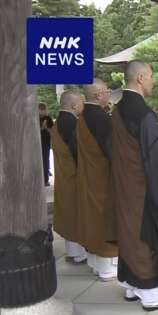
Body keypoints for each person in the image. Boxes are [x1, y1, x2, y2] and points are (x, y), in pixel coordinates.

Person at [110, 60, 158, 310]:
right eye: (150, 77)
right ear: (139, 78)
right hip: (142, 187)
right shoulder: (143, 114)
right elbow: (155, 158)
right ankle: (150, 293)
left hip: (124, 184)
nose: (153, 81)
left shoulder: (119, 108)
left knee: (129, 231)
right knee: (147, 235)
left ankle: (131, 285)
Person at [77, 78, 118, 281]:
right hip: (103, 177)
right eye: (107, 91)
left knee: (92, 218)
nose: (109, 94)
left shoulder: (84, 115)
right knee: (104, 219)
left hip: (90, 175)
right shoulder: (100, 118)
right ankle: (106, 267)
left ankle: (95, 262)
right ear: (99, 94)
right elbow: (112, 149)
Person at [51, 90, 87, 264]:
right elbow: (77, 151)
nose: (83, 106)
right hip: (74, 174)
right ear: (74, 105)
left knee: (68, 212)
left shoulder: (58, 123)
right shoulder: (72, 123)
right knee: (76, 212)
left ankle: (73, 252)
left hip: (64, 174)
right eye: (81, 102)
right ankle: (79, 253)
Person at [39, 103, 54, 186]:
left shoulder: (48, 118)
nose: (43, 111)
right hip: (37, 144)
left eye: (44, 109)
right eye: (41, 110)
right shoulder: (34, 117)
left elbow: (52, 131)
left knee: (45, 160)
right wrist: (42, 128)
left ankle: (45, 180)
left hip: (46, 143)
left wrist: (46, 128)